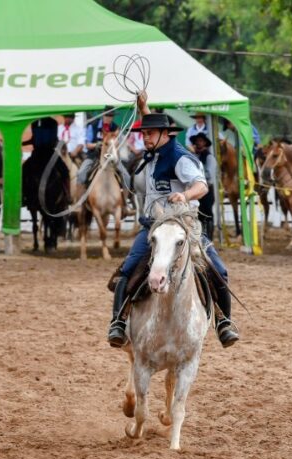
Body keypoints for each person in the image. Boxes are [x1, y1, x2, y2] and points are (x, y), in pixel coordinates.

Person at [107, 91, 239, 349]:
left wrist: (185, 195)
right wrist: (144, 108)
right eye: (143, 134)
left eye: (149, 134)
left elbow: (202, 186)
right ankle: (118, 322)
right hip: (153, 226)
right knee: (127, 270)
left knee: (218, 270)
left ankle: (223, 322)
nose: (145, 137)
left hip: (183, 227)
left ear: (165, 134)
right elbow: (153, 126)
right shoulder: (155, 150)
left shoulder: (180, 157)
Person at [78, 108, 122, 187]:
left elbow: (117, 143)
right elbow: (87, 145)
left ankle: (125, 195)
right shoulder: (92, 125)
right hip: (94, 155)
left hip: (110, 156)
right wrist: (97, 145)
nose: (108, 118)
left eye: (110, 116)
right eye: (106, 115)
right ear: (103, 115)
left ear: (113, 117)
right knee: (81, 173)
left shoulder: (115, 128)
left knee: (126, 176)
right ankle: (80, 193)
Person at [190, 132, 218, 240]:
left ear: (205, 143)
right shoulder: (194, 156)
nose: (198, 143)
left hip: (207, 189)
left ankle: (209, 239)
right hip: (196, 190)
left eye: (201, 141)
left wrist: (196, 175)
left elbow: (209, 175)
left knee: (208, 214)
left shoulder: (209, 157)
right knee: (198, 214)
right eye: (197, 141)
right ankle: (200, 238)